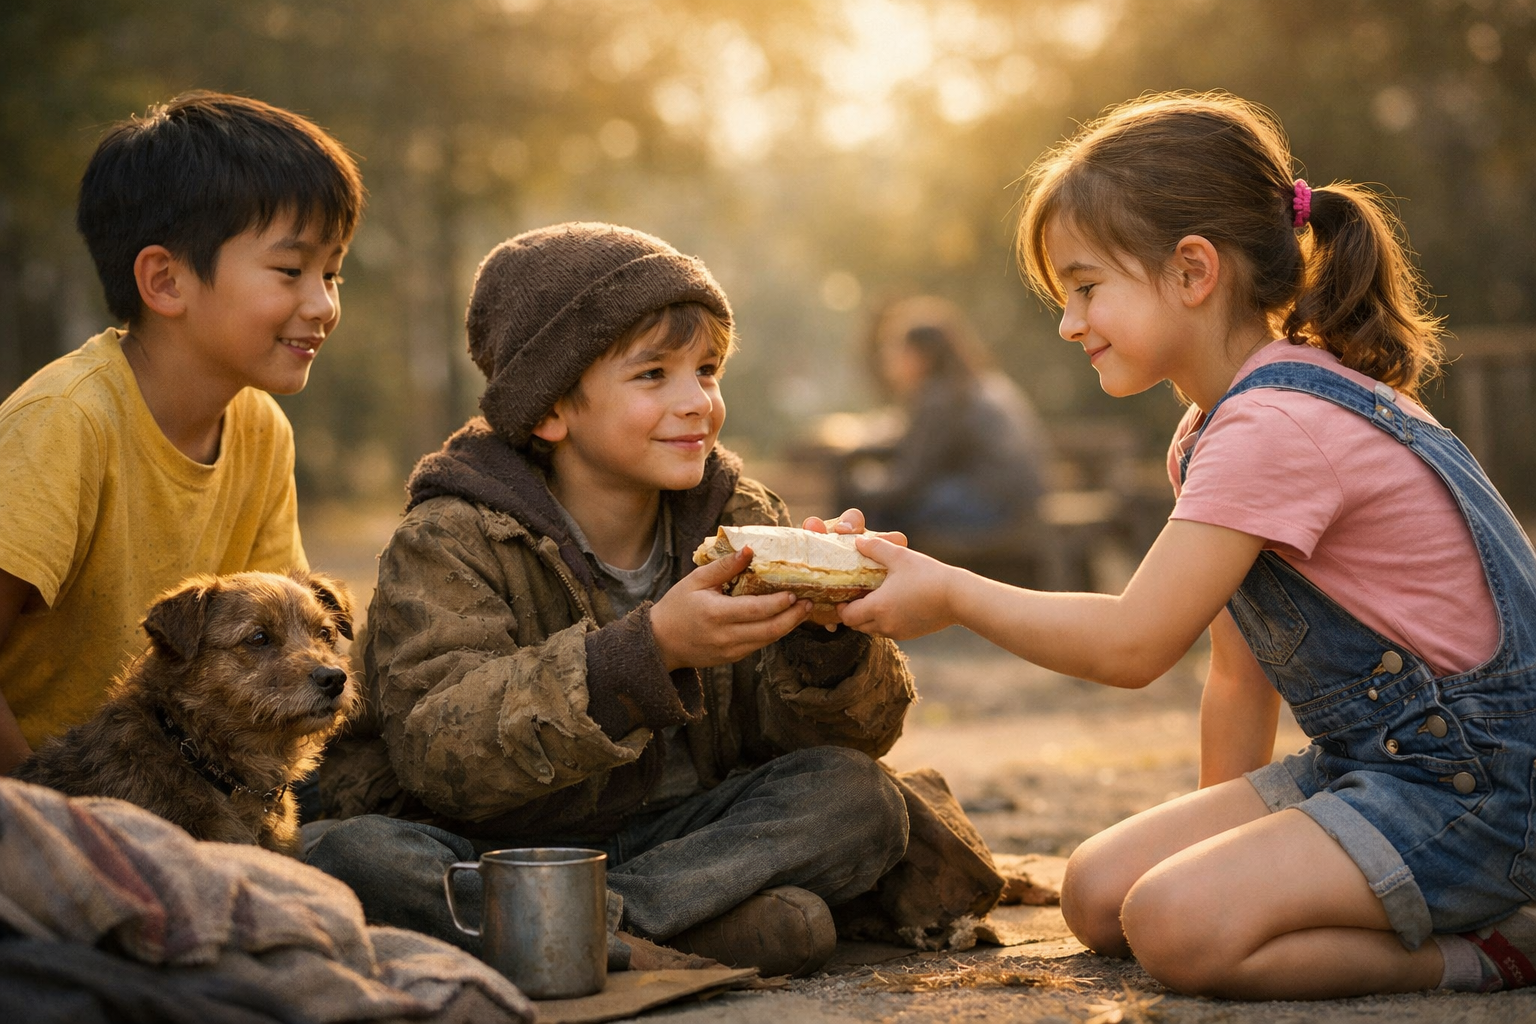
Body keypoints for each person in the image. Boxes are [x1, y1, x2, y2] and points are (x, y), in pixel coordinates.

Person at [836, 92, 1536, 999]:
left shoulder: (1275, 426)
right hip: (1377, 768)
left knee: (1176, 927)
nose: (1069, 323)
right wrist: (1222, 850)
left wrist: (952, 592)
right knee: (1098, 895)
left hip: (1483, 792)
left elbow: (1135, 645)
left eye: (1086, 288)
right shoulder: (1214, 430)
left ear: (1192, 271)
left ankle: (1497, 951)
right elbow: (1238, 679)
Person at [309, 223, 960, 979]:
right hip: (503, 847)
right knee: (353, 854)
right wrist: (651, 653)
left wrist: (827, 642)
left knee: (857, 798)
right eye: (653, 375)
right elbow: (440, 754)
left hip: (680, 842)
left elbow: (816, 746)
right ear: (550, 410)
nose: (697, 402)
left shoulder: (740, 516)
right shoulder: (450, 538)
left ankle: (605, 930)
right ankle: (695, 929)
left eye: (707, 370)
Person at [0, 92, 364, 775]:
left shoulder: (261, 429)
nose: (323, 304)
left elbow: (290, 639)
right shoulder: (65, 423)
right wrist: (42, 814)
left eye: (332, 273)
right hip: (48, 795)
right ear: (166, 281)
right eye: (291, 271)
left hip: (193, 783)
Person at [834, 295, 1051, 559]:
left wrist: (857, 488)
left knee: (884, 511)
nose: (889, 360)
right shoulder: (972, 384)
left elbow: (912, 479)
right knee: (887, 502)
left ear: (922, 355)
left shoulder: (940, 395)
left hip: (995, 507)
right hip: (1019, 500)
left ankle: (864, 570)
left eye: (898, 350)